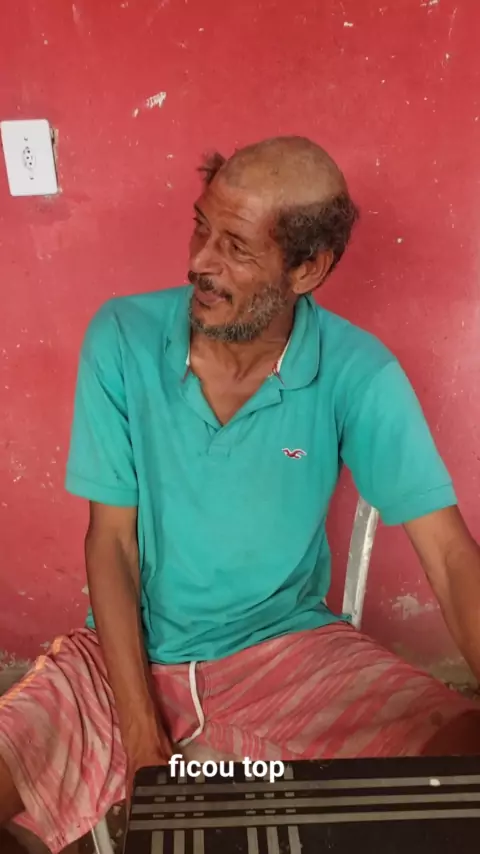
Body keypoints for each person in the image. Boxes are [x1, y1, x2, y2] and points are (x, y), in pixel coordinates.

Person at [1, 136, 480, 852]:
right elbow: (112, 543)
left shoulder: (359, 373)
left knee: (460, 756)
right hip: (123, 654)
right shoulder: (123, 339)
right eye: (201, 227)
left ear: (308, 269)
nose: (200, 261)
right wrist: (141, 737)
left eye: (236, 247)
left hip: (287, 650)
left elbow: (448, 556)